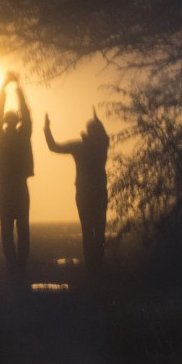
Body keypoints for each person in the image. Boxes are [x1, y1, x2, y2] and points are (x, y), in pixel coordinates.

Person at [43, 110, 110, 272]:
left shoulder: (79, 146)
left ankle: (91, 267)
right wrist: (97, 121)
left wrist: (47, 129)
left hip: (84, 193)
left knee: (87, 230)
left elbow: (53, 147)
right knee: (99, 230)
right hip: (99, 193)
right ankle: (98, 266)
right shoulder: (102, 146)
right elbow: (104, 137)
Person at [0, 71, 34, 275]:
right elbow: (27, 115)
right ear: (16, 121)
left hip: (5, 188)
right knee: (22, 227)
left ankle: (12, 264)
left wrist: (4, 88)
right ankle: (21, 264)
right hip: (20, 187)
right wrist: (17, 88)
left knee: (6, 229)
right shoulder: (23, 136)